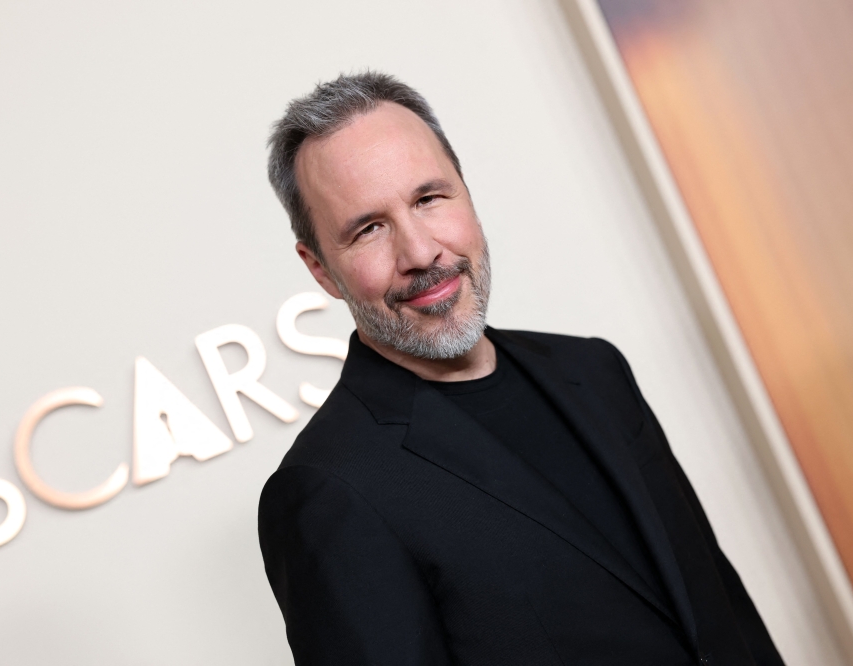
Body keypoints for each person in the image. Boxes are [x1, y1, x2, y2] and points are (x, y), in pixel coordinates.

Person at [258, 71, 784, 666]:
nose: (421, 253)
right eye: (369, 228)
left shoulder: (595, 370)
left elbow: (719, 606)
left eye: (429, 199)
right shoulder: (328, 491)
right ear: (321, 268)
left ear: (467, 194)